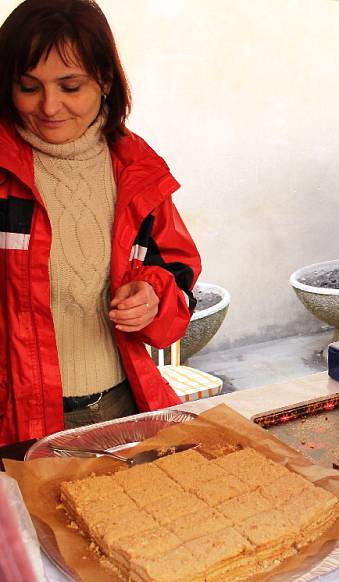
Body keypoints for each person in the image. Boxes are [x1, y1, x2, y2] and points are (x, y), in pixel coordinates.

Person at [0, 0, 201, 445]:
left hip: (120, 407)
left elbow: (180, 284)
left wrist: (152, 295)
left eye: (70, 86)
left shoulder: (137, 172)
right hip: (14, 419)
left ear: (105, 80)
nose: (50, 106)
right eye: (29, 87)